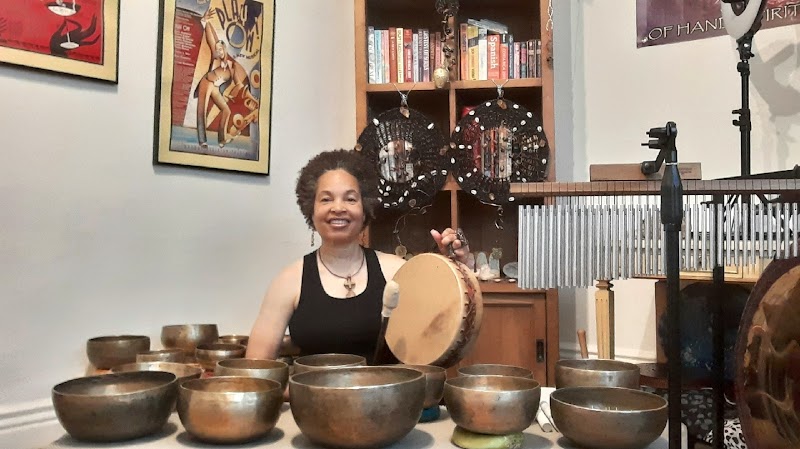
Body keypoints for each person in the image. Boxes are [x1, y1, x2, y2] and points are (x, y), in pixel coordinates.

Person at [246, 149, 473, 362]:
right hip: (312, 393)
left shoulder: (397, 271)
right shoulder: (289, 281)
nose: (338, 208)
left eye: (350, 199)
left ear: (365, 209)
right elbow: (255, 369)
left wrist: (459, 268)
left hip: (392, 392)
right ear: (311, 210)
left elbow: (444, 326)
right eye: (326, 199)